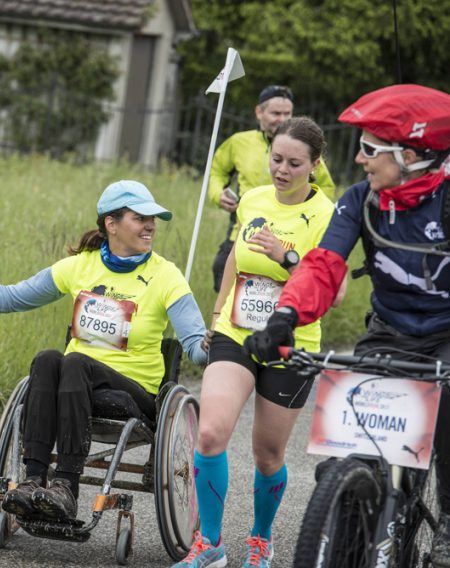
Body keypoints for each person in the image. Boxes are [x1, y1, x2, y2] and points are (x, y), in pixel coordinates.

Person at [0, 180, 207, 522]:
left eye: (153, 219)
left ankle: (66, 484)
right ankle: (33, 479)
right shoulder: (80, 266)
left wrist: (209, 348)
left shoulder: (166, 276)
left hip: (132, 393)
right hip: (74, 385)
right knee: (48, 359)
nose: (151, 225)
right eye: (140, 218)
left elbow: (195, 346)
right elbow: (10, 298)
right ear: (112, 224)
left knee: (75, 362)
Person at [245, 84, 450, 567]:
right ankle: (353, 510)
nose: (359, 159)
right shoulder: (361, 199)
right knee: (353, 448)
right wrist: (285, 317)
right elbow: (323, 266)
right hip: (390, 329)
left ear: (414, 155)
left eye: (371, 150)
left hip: (446, 334)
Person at [172, 117, 335, 568]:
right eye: (276, 159)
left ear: (315, 166)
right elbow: (234, 260)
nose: (281, 169)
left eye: (294, 163)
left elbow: (332, 292)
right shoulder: (253, 199)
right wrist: (219, 310)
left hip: (293, 342)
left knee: (267, 456)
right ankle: (210, 542)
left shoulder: (328, 216)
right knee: (210, 433)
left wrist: (287, 257)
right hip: (237, 330)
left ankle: (261, 539)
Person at [208, 85, 336, 293]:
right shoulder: (239, 142)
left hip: (289, 235)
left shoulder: (304, 151)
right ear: (259, 112)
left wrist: (304, 219)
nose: (282, 119)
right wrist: (217, 194)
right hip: (245, 227)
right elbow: (216, 171)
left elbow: (326, 188)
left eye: (287, 114)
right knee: (222, 271)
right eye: (276, 113)